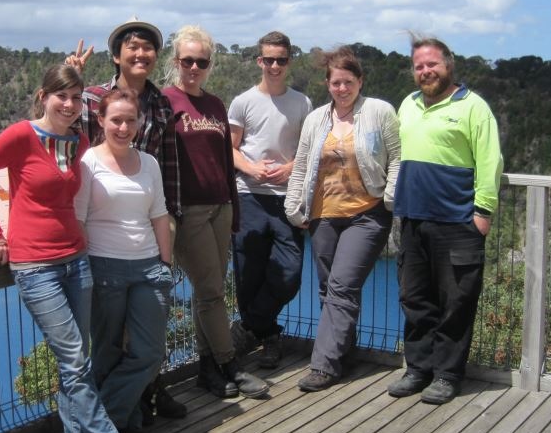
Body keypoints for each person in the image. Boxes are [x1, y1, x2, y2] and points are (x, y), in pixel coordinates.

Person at [0, 64, 155, 433]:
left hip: (76, 261)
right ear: (42, 96)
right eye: (60, 96)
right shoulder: (20, 136)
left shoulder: (77, 140)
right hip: (36, 266)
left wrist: (73, 71)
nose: (68, 104)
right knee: (76, 360)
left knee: (74, 363)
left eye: (76, 97)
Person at [67, 19, 187, 423]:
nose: (140, 54)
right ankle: (122, 419)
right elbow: (59, 130)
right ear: (116, 56)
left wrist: (169, 235)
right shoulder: (90, 98)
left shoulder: (161, 104)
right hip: (105, 239)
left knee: (146, 340)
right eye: (132, 47)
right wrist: (70, 79)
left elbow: (168, 164)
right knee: (109, 344)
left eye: (148, 48)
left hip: (150, 227)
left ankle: (137, 402)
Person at [388, 35, 503, 405]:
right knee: (414, 299)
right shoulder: (408, 104)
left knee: (456, 302)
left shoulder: (473, 107)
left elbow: (490, 161)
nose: (425, 71)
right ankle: (417, 369)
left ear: (448, 65)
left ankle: (447, 375)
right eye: (419, 66)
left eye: (432, 64)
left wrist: (482, 212)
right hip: (412, 219)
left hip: (457, 222)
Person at [162, 25, 270, 399]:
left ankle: (208, 370)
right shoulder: (165, 101)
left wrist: (233, 209)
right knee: (211, 291)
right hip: (188, 211)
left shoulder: (215, 105)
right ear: (176, 61)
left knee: (206, 292)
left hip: (221, 206)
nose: (194, 67)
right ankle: (231, 365)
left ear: (210, 64)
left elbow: (226, 161)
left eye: (202, 62)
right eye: (187, 60)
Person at [285, 47, 401, 392]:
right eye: (336, 83)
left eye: (348, 82)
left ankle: (323, 365)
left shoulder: (379, 112)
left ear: (360, 81)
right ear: (328, 84)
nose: (342, 88)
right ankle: (344, 354)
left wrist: (391, 196)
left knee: (342, 286)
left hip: (367, 214)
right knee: (328, 290)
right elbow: (301, 164)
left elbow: (397, 157)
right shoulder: (316, 119)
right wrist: (293, 207)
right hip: (323, 215)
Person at [75, 88, 175, 433]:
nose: (123, 127)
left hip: (148, 267)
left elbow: (159, 215)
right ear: (101, 120)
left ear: (140, 122)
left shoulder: (148, 163)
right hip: (105, 267)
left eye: (130, 120)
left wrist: (165, 264)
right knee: (106, 352)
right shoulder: (88, 162)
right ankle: (126, 422)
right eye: (115, 120)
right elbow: (78, 219)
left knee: (149, 352)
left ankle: (100, 424)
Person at [228, 31, 312, 368]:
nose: (274, 66)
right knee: (248, 276)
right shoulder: (243, 102)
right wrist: (251, 168)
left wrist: (289, 169)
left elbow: (308, 150)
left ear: (289, 61)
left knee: (289, 273)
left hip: (287, 199)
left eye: (281, 60)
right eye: (269, 60)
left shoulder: (302, 103)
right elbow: (230, 148)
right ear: (259, 61)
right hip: (248, 195)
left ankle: (247, 328)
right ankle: (269, 338)